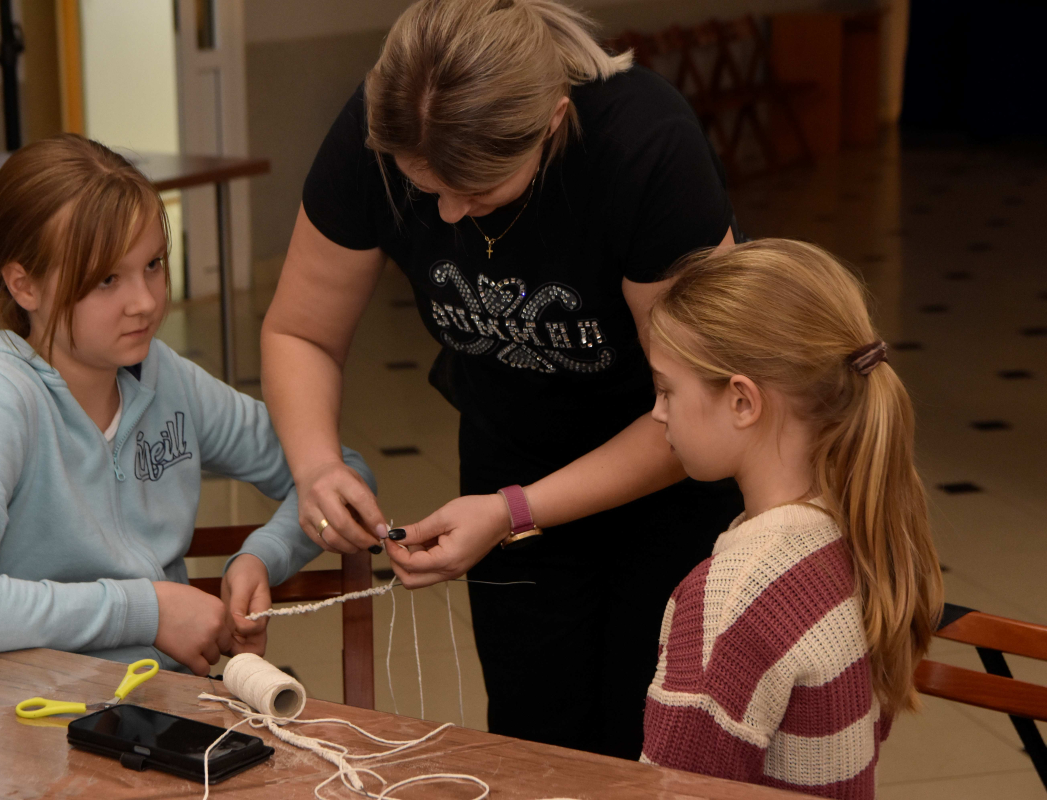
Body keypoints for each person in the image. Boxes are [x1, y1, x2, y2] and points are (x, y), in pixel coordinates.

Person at [258, 0, 743, 757]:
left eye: (478, 193)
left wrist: (514, 511)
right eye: (427, 190)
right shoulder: (383, 129)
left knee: (654, 741)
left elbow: (703, 408)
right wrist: (316, 465)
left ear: (552, 123)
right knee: (534, 737)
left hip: (673, 468)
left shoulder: (644, 146)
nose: (450, 215)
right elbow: (301, 332)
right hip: (508, 454)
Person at [0, 134, 373, 676]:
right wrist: (148, 610)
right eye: (106, 280)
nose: (144, 302)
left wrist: (263, 555)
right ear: (24, 285)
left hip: (163, 699)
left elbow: (343, 474)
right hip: (33, 709)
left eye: (153, 264)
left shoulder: (167, 378)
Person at [639, 239, 943, 798]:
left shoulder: (731, 599)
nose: (657, 413)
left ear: (742, 401)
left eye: (665, 389)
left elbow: (672, 792)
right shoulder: (858, 528)